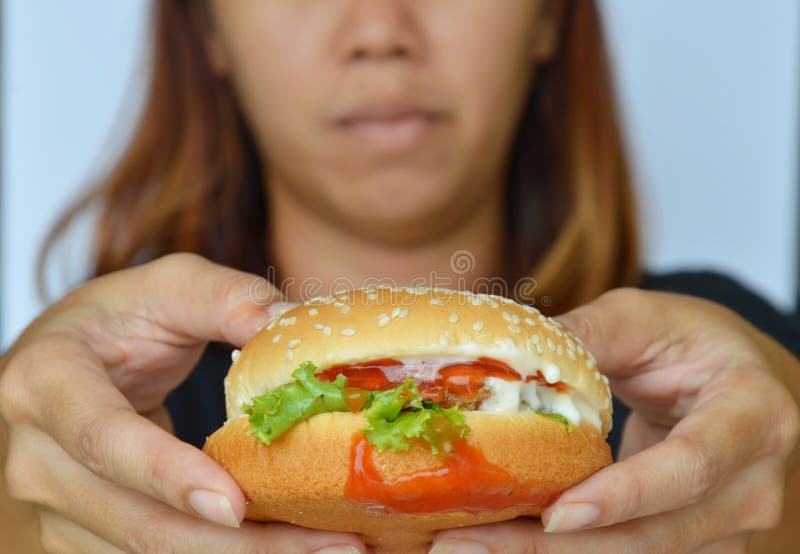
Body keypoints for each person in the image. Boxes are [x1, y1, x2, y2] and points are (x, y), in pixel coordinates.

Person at [1, 1, 799, 553]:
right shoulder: (102, 392)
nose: (380, 32)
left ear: (548, 17)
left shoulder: (714, 367)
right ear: (210, 29)